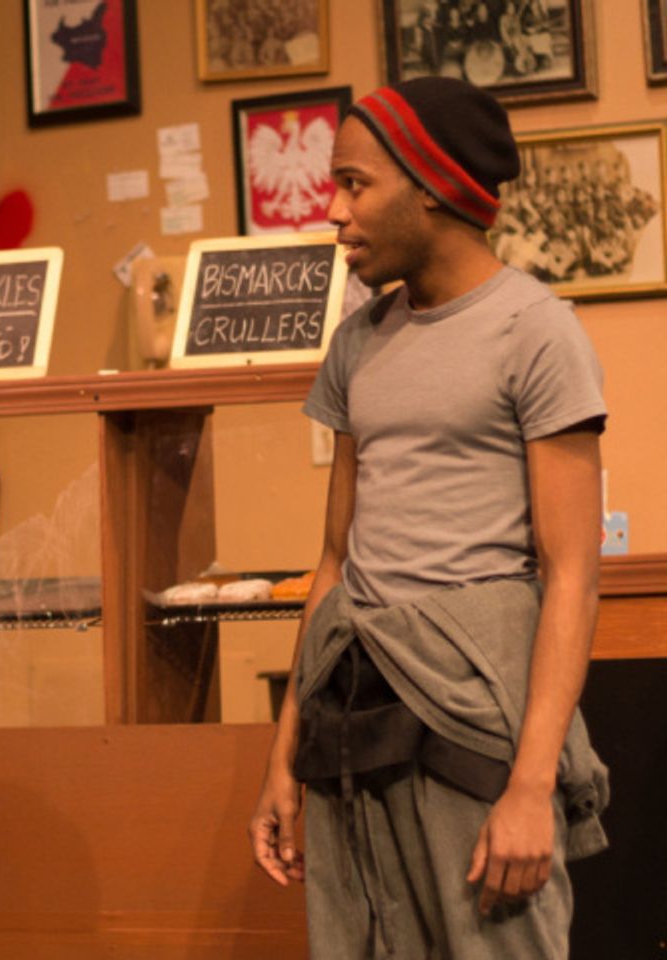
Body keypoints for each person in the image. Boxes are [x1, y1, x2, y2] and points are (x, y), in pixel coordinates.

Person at [248, 77, 610, 958]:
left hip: (469, 731)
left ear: (433, 186)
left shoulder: (534, 332)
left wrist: (531, 787)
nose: (332, 211)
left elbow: (571, 574)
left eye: (354, 183)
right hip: (350, 721)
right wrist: (282, 758)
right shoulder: (358, 342)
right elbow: (335, 563)